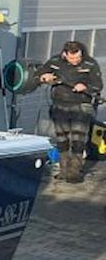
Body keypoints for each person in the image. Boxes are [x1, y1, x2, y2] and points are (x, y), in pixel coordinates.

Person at [39, 40, 102, 182]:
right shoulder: (55, 61)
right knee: (62, 140)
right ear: (65, 54)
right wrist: (45, 77)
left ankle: (74, 172)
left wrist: (85, 87)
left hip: (81, 107)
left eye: (78, 58)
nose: (75, 61)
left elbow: (98, 85)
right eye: (72, 58)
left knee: (78, 140)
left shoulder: (90, 64)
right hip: (59, 106)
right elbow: (41, 74)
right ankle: (63, 170)